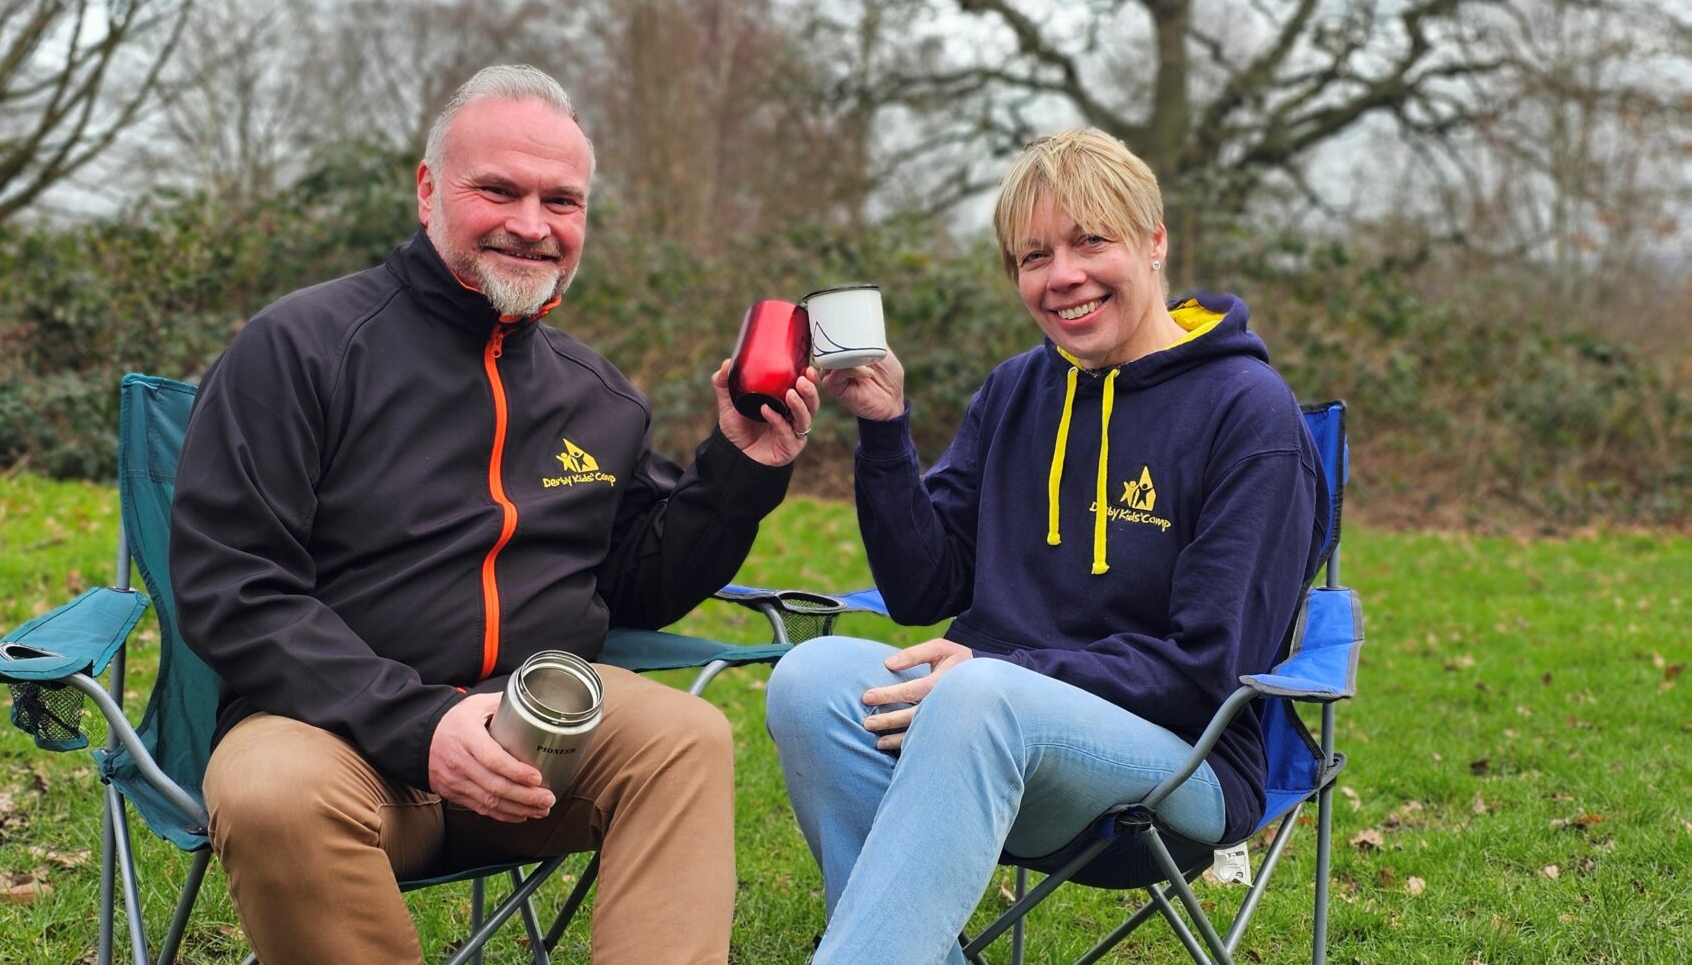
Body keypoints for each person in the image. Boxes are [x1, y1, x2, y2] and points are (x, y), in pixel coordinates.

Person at [168, 64, 819, 965]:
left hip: (535, 738)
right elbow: (233, 587)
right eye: (499, 190)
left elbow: (638, 587)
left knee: (686, 737)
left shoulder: (599, 399)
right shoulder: (301, 348)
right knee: (268, 791)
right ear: (428, 190)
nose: (532, 224)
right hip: (331, 738)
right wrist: (421, 725)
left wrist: (741, 469)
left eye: (562, 200)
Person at [765, 128, 1328, 964]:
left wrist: (1008, 672)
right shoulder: (1017, 389)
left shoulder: (1248, 414)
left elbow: (1209, 669)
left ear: (1153, 242)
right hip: (984, 729)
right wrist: (884, 430)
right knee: (809, 678)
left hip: (1185, 761)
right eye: (1034, 256)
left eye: (1090, 241)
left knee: (977, 694)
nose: (1061, 275)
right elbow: (923, 590)